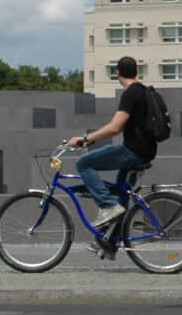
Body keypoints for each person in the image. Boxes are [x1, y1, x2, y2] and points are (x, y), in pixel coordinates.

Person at [65, 55, 157, 227]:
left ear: (118, 73)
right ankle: (110, 241)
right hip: (145, 151)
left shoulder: (131, 93)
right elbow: (122, 127)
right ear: (136, 71)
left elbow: (115, 128)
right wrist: (91, 141)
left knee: (84, 163)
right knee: (121, 193)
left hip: (133, 151)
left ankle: (107, 206)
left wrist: (85, 138)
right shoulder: (143, 91)